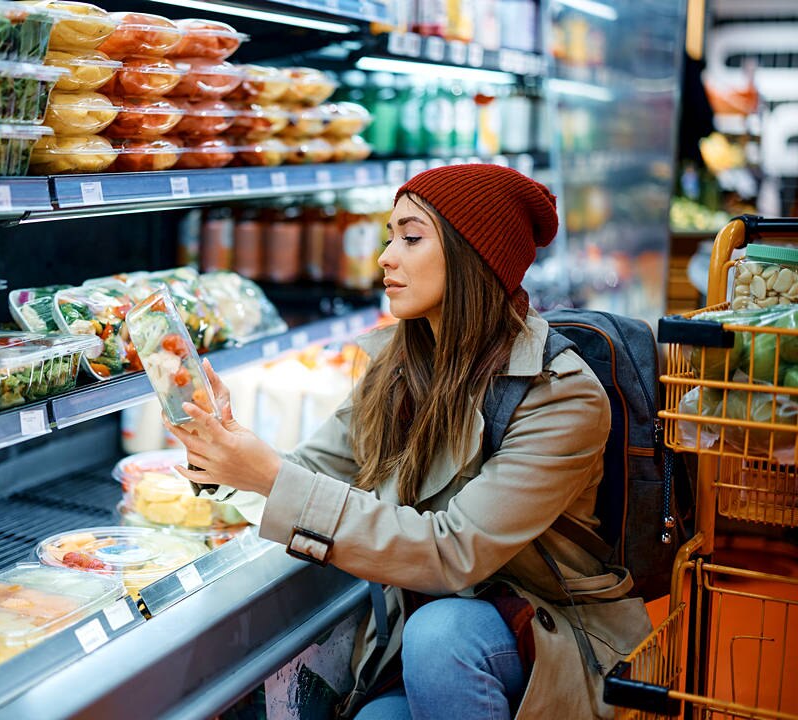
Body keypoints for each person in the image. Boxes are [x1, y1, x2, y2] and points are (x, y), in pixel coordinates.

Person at [166, 164, 651, 720]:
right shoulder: (398, 368)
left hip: (551, 637)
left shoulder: (559, 397)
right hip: (419, 634)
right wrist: (220, 452)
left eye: (411, 238)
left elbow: (452, 551)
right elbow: (315, 471)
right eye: (389, 236)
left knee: (442, 636)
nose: (385, 257)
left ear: (475, 256)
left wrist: (269, 477)